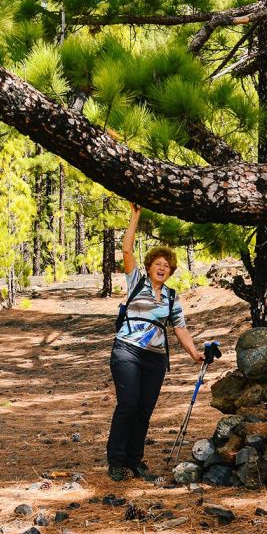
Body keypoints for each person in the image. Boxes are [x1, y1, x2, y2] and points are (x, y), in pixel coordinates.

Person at [106, 202, 203, 482]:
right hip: (126, 350)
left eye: (167, 266)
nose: (162, 268)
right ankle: (116, 460)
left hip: (155, 358)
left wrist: (194, 354)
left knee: (144, 411)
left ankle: (135, 460)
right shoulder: (136, 281)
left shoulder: (172, 297)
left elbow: (180, 329)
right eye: (158, 264)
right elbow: (126, 249)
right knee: (128, 403)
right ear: (149, 267)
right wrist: (135, 217)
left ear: (170, 272)